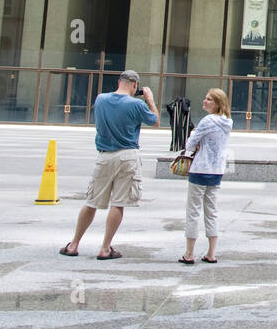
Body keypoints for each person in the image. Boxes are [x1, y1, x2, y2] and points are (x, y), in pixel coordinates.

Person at [61, 70, 158, 260]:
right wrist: (150, 100)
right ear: (134, 85)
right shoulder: (137, 104)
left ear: (119, 82)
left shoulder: (101, 99)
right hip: (127, 156)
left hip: (104, 156)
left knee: (91, 202)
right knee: (119, 203)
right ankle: (105, 248)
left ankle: (74, 245)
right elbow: (154, 121)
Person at [180, 88, 233, 264]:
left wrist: (193, 135)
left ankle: (189, 253)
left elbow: (190, 143)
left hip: (200, 170)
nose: (204, 101)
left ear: (218, 103)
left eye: (209, 99)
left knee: (193, 212)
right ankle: (211, 253)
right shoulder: (227, 122)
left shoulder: (208, 120)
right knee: (212, 212)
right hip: (216, 171)